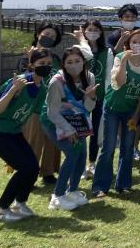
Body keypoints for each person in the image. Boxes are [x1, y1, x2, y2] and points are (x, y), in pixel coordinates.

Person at [0, 49, 50, 222]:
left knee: (33, 167)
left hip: (13, 131)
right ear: (31, 65)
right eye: (41, 64)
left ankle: (20, 203)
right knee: (25, 168)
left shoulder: (42, 88)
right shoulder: (20, 82)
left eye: (49, 64)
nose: (46, 67)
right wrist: (13, 90)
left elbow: (39, 113)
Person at [91, 28, 140, 198]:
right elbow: (118, 82)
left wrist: (136, 116)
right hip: (112, 108)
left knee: (127, 147)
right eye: (134, 42)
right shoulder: (120, 58)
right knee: (108, 147)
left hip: (130, 110)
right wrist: (124, 61)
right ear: (128, 44)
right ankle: (100, 186)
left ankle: (123, 184)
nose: (138, 45)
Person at [42, 46, 97, 211]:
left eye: (78, 61)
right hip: (54, 121)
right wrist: (68, 130)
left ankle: (72, 190)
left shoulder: (89, 77)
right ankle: (57, 196)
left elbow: (88, 107)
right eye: (69, 62)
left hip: (77, 119)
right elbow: (52, 112)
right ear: (63, 65)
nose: (74, 65)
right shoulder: (57, 82)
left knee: (82, 155)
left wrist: (91, 96)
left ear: (84, 62)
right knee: (72, 152)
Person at [20, 22, 63, 185]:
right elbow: (22, 79)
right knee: (33, 141)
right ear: (38, 34)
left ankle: (48, 172)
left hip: (53, 105)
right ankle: (28, 174)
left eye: (53, 36)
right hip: (34, 107)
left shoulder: (56, 59)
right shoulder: (26, 56)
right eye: (46, 34)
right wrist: (30, 60)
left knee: (53, 141)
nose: (49, 38)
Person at [76, 20, 112, 180]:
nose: (92, 32)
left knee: (96, 131)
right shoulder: (78, 50)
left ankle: (92, 163)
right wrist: (82, 42)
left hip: (100, 96)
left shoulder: (107, 51)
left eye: (96, 30)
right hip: (80, 96)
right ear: (83, 31)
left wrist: (106, 95)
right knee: (81, 131)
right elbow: (88, 55)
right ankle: (80, 165)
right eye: (89, 30)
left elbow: (109, 75)